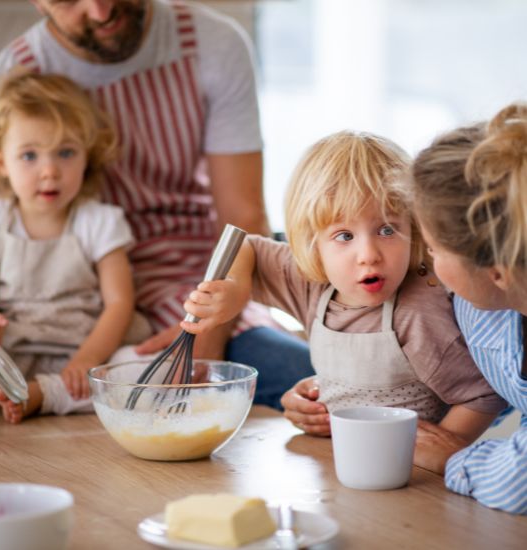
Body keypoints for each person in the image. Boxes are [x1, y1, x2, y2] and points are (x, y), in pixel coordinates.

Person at [0, 0, 315, 410]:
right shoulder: (1, 88)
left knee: (311, 381)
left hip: (196, 281)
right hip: (83, 311)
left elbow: (241, 220)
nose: (100, 12)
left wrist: (203, 336)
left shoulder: (211, 45)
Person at [181, 131, 507, 447]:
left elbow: (481, 395)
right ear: (314, 245)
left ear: (416, 229)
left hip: (403, 477)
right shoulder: (312, 286)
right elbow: (246, 245)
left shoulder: (418, 315)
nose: (368, 255)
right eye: (344, 236)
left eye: (387, 229)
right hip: (335, 463)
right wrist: (237, 288)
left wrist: (440, 452)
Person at [0, 70, 151, 423]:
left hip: (86, 347)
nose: (50, 171)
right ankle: (10, 392)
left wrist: (87, 359)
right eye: (29, 156)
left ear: (87, 157)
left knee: (149, 372)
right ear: (0, 162)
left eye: (66, 153)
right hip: (14, 349)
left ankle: (45, 395)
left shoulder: (99, 221)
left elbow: (120, 303)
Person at [406, 104, 527, 514]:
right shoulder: (487, 308)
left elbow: (518, 484)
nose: (427, 263)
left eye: (436, 250)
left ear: (497, 272)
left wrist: (455, 459)